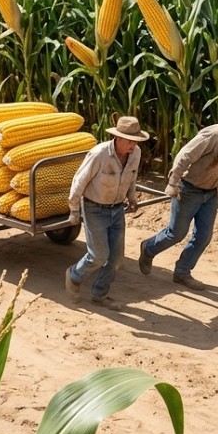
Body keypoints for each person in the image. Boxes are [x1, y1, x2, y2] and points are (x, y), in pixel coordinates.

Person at [138, 105, 218, 290]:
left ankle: (182, 272)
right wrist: (173, 183)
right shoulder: (214, 135)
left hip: (211, 192)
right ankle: (148, 248)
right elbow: (185, 156)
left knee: (204, 236)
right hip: (189, 188)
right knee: (176, 233)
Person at [64, 116, 150, 311]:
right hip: (95, 208)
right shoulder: (99, 154)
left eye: (136, 141)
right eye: (129, 141)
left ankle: (100, 294)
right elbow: (79, 181)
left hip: (117, 209)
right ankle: (74, 276)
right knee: (99, 256)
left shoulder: (135, 153)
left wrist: (132, 198)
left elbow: (132, 176)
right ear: (117, 138)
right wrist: (74, 209)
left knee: (116, 259)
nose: (133, 145)